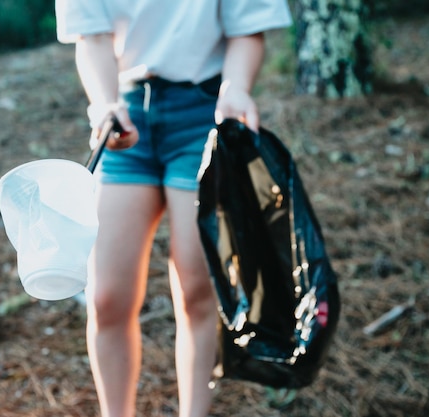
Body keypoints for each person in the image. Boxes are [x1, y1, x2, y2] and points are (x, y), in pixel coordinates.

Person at [55, 2, 292, 417]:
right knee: (107, 297)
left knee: (196, 290)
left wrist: (236, 89)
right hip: (124, 116)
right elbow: (91, 38)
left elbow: (247, 29)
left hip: (203, 112)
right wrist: (104, 104)